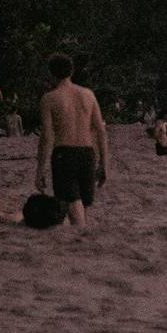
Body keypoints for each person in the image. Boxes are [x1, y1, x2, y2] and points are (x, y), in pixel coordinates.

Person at [38, 52, 106, 228]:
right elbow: (101, 131)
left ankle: (81, 242)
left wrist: (40, 169)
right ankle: (83, 240)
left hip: (64, 153)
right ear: (72, 71)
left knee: (72, 205)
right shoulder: (88, 95)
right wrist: (103, 163)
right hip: (87, 153)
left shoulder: (49, 98)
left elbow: (46, 136)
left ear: (51, 73)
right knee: (83, 205)